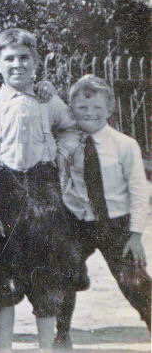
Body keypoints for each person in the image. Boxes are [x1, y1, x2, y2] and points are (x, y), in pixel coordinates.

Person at [0, 28, 82, 351]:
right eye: (9, 59)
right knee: (5, 275)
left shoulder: (47, 99)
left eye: (24, 58)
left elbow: (70, 128)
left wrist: (60, 153)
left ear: (36, 63)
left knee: (45, 273)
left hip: (44, 195)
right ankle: (6, 346)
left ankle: (46, 346)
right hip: (5, 193)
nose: (17, 64)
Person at [54, 75, 150, 348]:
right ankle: (61, 335)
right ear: (72, 110)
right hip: (78, 221)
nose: (90, 114)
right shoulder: (70, 143)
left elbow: (139, 192)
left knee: (133, 280)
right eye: (82, 109)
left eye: (97, 108)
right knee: (64, 272)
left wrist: (135, 235)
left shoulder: (124, 145)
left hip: (116, 223)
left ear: (110, 110)